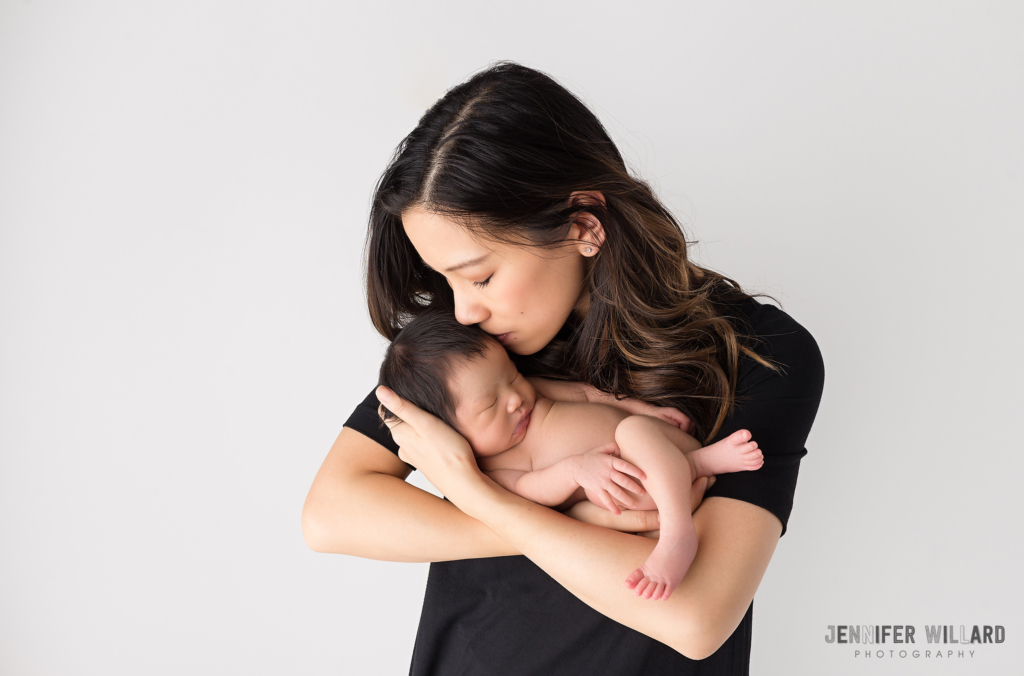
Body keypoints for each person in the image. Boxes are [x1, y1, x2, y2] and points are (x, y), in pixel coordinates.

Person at [302, 61, 825, 674]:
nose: (463, 309)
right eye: (444, 280)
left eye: (480, 276)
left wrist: (481, 495)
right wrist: (569, 513)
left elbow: (695, 617)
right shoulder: (475, 348)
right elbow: (332, 514)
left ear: (583, 224)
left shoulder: (760, 349)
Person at [377, 308, 765, 601]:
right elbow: (533, 489)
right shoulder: (493, 471)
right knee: (625, 465)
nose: (515, 398)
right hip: (626, 495)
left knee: (633, 431)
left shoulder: (533, 392)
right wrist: (577, 470)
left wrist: (643, 410)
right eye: (490, 405)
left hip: (658, 446)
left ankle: (698, 468)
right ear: (447, 434)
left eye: (510, 376)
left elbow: (588, 393)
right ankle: (678, 531)